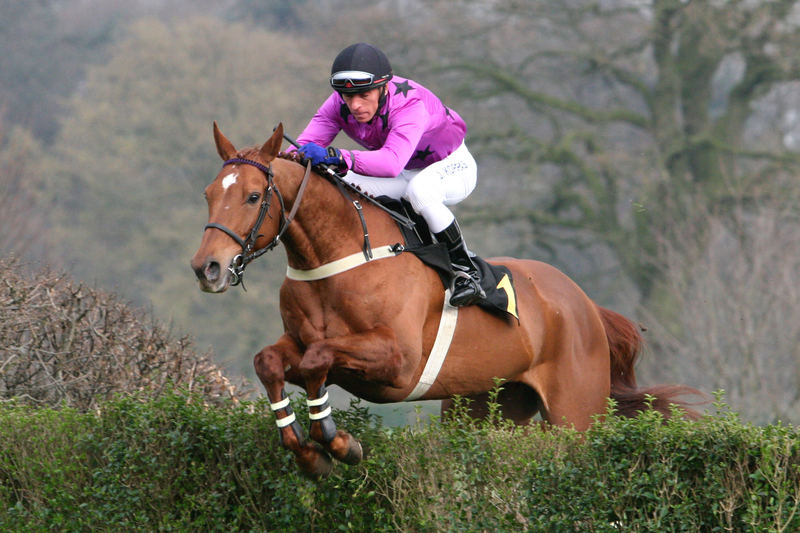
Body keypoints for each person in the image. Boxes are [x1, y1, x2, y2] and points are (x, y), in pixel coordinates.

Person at [294, 42, 485, 307]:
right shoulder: (339, 103)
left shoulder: (410, 103)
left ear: (384, 86)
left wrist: (338, 156)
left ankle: (467, 272)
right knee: (331, 177)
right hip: (404, 174)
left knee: (420, 191)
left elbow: (391, 163)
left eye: (364, 96)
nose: (355, 105)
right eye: (348, 97)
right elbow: (299, 149)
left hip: (451, 167)